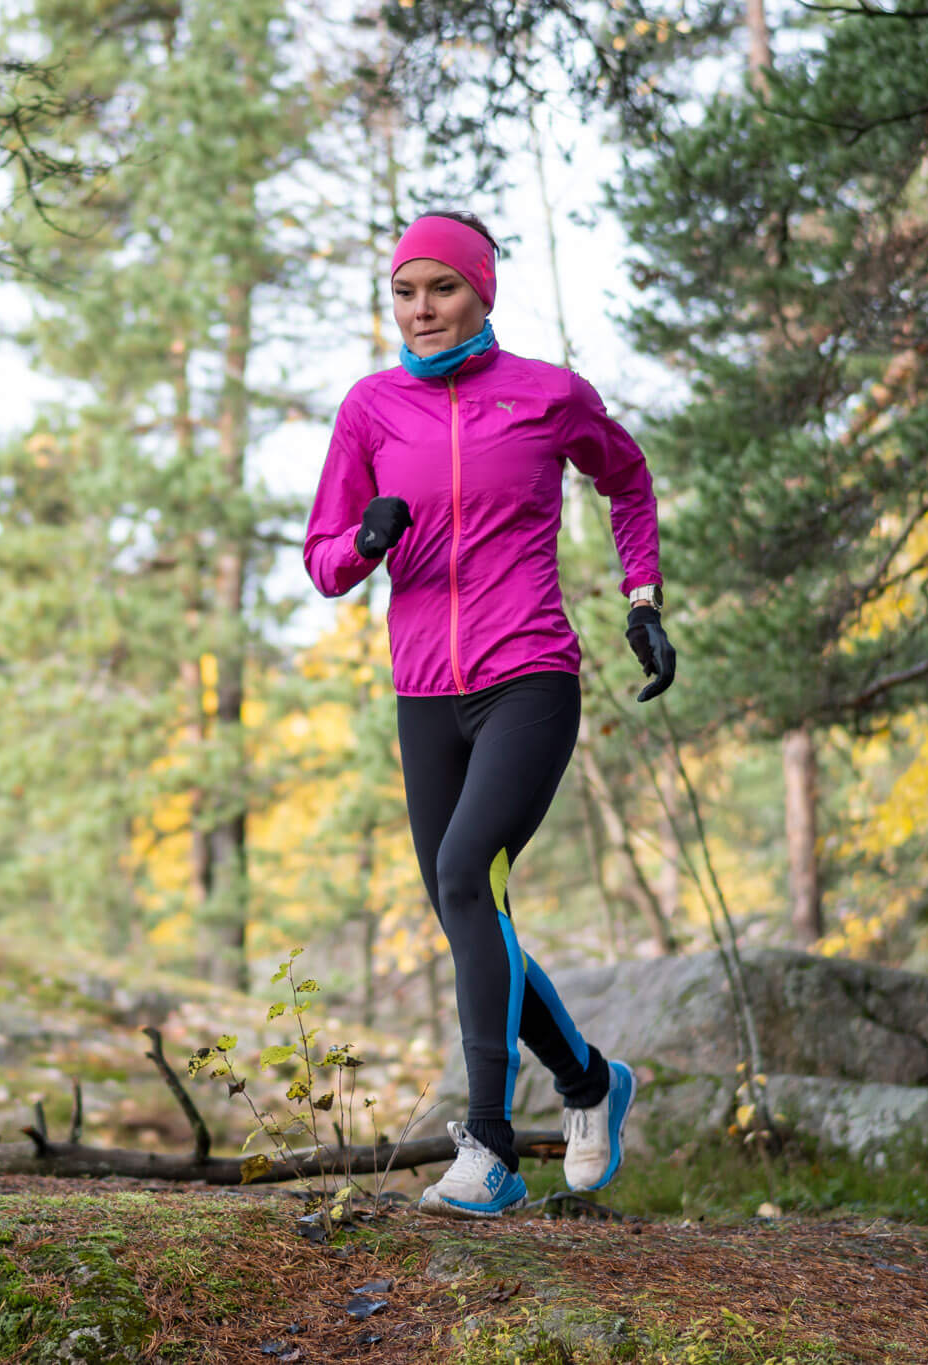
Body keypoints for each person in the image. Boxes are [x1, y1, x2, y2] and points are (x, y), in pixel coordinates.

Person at [303, 211, 676, 1218]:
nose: (420, 311)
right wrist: (365, 543)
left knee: (467, 875)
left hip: (528, 678)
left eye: (441, 289)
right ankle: (592, 1082)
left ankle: (488, 1148)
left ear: (481, 293)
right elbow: (321, 558)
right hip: (423, 693)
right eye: (403, 292)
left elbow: (625, 476)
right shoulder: (369, 409)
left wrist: (640, 599)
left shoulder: (548, 397)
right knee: (471, 909)